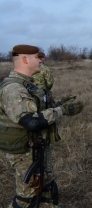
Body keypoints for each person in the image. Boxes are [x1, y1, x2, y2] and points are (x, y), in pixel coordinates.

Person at [0, 45, 84, 208]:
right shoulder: (14, 88)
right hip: (26, 153)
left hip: (39, 148)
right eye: (37, 58)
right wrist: (61, 110)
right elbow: (31, 122)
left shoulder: (29, 85)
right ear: (25, 59)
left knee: (46, 191)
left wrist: (60, 104)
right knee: (27, 200)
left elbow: (39, 112)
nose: (41, 60)